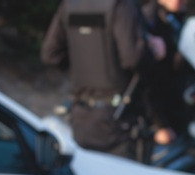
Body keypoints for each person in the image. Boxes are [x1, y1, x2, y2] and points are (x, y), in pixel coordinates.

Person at [41, 0, 166, 158]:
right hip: (118, 122)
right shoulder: (121, 5)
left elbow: (50, 54)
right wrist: (153, 52)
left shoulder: (70, 4)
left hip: (81, 116)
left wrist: (82, 64)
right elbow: (132, 59)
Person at [142, 0, 191, 146]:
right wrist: (159, 124)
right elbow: (145, 80)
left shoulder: (176, 17)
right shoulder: (149, 19)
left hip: (180, 111)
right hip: (161, 120)